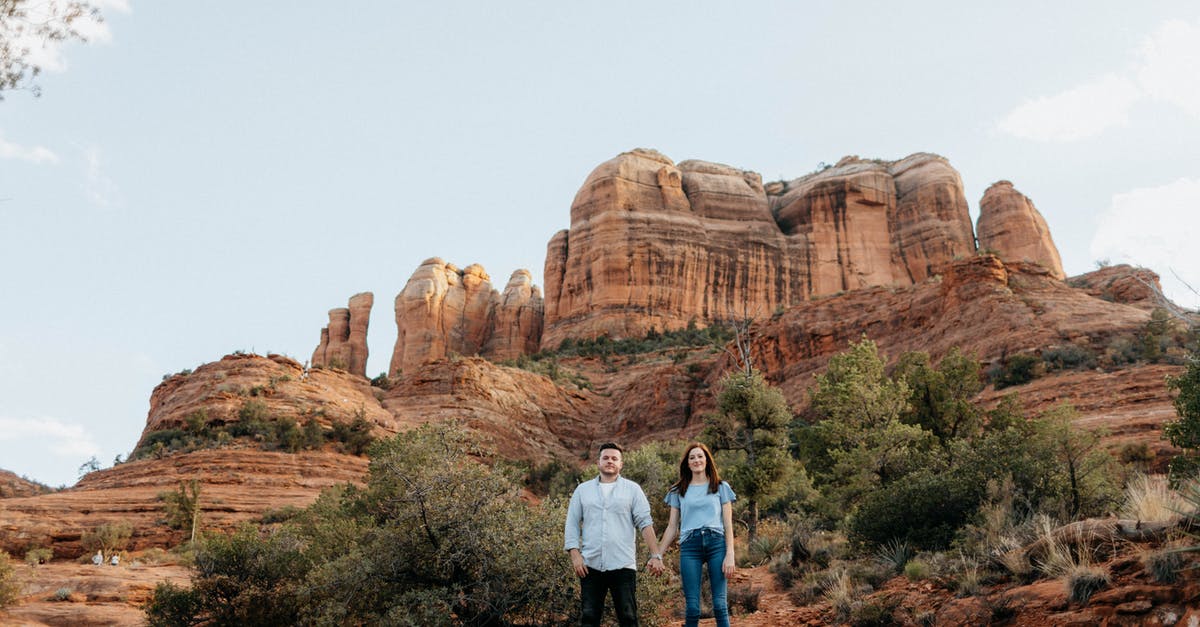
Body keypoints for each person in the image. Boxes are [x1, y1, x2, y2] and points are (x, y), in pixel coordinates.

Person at [564, 442, 665, 627]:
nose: (610, 461)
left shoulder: (633, 490)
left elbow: (645, 523)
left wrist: (656, 555)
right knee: (589, 617)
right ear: (598, 462)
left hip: (623, 565)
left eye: (614, 458)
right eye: (606, 458)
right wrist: (575, 554)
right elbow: (571, 523)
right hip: (590, 565)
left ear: (621, 464)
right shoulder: (582, 490)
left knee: (628, 618)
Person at [657, 443, 737, 627]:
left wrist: (730, 554)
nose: (696, 460)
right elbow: (671, 527)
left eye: (700, 456)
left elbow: (727, 523)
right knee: (693, 608)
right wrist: (658, 554)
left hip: (717, 544)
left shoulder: (720, 487)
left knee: (719, 605)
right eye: (692, 458)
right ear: (687, 463)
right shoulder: (678, 491)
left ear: (707, 460)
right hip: (690, 547)